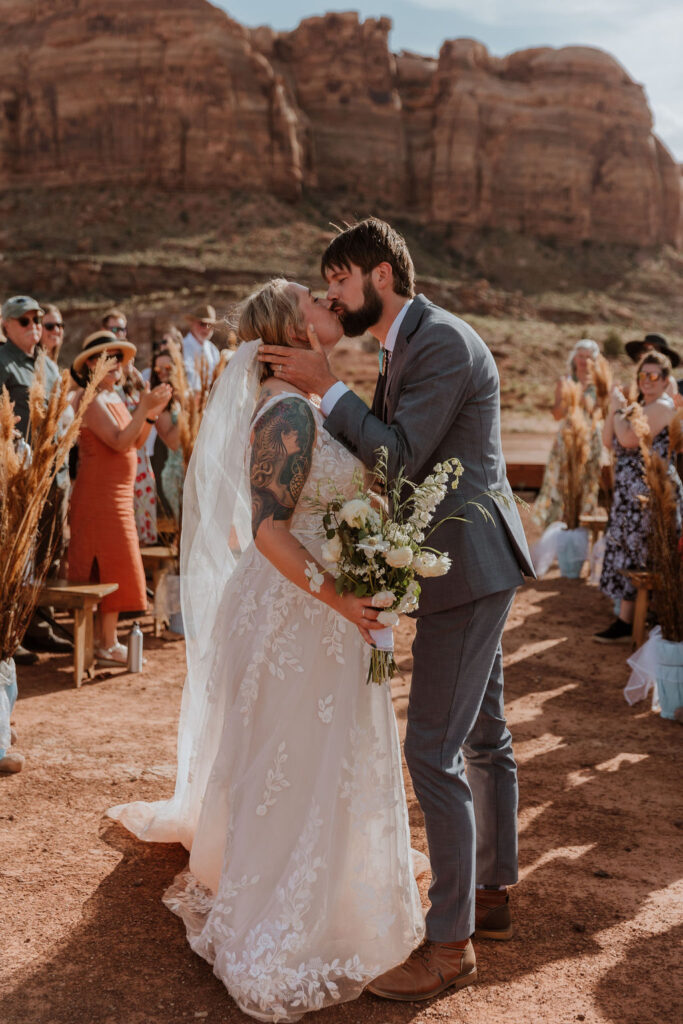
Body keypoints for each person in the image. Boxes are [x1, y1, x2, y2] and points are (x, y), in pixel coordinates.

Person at [107, 278, 425, 1021]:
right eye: (315, 299)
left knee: (313, 755)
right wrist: (342, 597)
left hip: (319, 608)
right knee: (293, 755)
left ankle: (331, 881)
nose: (328, 304)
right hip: (299, 609)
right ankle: (284, 908)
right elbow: (270, 530)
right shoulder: (284, 411)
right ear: (289, 328)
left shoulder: (310, 405)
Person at [259, 218, 534, 1002]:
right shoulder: (406, 343)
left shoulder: (439, 341)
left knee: (431, 752)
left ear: (378, 274)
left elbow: (398, 456)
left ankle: (449, 946)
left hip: (465, 570)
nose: (332, 295)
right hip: (468, 566)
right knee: (483, 735)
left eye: (337, 281)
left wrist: (324, 387)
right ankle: (489, 893)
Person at [67, 331, 171, 664]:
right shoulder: (88, 398)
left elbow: (137, 441)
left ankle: (105, 641)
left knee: (115, 564)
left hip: (119, 496)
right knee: (108, 561)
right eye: (106, 357)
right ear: (90, 364)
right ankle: (105, 642)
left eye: (117, 357)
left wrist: (151, 413)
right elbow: (118, 441)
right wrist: (143, 407)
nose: (115, 364)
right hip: (99, 497)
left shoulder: (112, 397)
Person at [0, 295, 71, 661]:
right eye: (24, 321)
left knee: (49, 553)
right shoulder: (3, 364)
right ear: (6, 325)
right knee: (17, 553)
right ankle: (12, 630)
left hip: (54, 476)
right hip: (20, 476)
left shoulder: (48, 366)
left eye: (37, 320)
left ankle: (41, 624)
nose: (34, 327)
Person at [594, 350, 683, 643]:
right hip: (628, 499)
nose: (647, 380)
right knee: (629, 553)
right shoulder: (640, 406)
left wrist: (619, 409)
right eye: (643, 375)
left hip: (650, 498)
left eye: (654, 375)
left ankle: (651, 619)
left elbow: (629, 439)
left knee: (645, 555)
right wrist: (614, 409)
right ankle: (625, 621)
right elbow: (608, 440)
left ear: (666, 379)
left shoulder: (663, 406)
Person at [531, 338, 605, 528]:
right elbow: (556, 414)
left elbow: (603, 412)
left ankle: (581, 527)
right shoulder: (564, 381)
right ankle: (556, 528)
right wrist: (571, 400)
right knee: (560, 483)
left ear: (595, 360)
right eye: (580, 356)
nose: (583, 360)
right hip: (567, 439)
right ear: (574, 358)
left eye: (588, 357)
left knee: (587, 482)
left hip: (590, 440)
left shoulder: (600, 383)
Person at [182, 303, 220, 391]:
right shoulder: (182, 347)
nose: (206, 328)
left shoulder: (213, 350)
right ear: (192, 323)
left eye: (210, 325)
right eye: (202, 324)